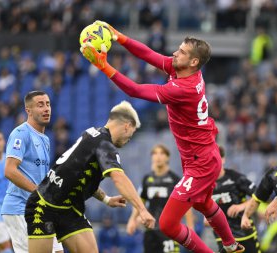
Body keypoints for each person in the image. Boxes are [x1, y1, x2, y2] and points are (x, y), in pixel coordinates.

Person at [81, 20, 244, 253]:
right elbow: (149, 54)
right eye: (178, 49)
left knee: (167, 224)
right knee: (203, 202)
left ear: (194, 62)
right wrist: (119, 36)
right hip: (203, 155)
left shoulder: (183, 88)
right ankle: (230, 245)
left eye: (182, 52)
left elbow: (135, 90)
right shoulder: (185, 71)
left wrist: (104, 65)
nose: (175, 53)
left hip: (202, 163)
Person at [24, 100, 156, 253]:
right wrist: (142, 209)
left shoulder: (93, 133)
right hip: (43, 205)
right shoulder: (105, 145)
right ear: (126, 125)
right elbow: (119, 178)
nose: (129, 140)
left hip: (69, 209)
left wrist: (106, 199)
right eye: (131, 135)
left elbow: (79, 176)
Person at [1, 91, 63, 253]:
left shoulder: (46, 139)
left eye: (48, 104)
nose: (46, 109)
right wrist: (37, 191)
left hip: (40, 208)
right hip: (20, 208)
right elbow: (9, 170)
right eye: (40, 105)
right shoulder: (21, 134)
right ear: (28, 110)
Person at [126, 144, 193, 253]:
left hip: (170, 230)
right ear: (152, 157)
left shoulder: (175, 180)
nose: (158, 157)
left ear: (168, 157)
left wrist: (190, 227)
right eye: (155, 153)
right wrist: (132, 220)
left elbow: (186, 205)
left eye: (162, 153)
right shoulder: (147, 179)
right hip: (150, 230)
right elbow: (140, 201)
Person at [211, 146, 259, 253]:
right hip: (222, 236)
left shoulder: (236, 178)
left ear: (223, 159)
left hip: (244, 232)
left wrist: (241, 206)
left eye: (216, 158)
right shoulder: (205, 184)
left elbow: (259, 195)